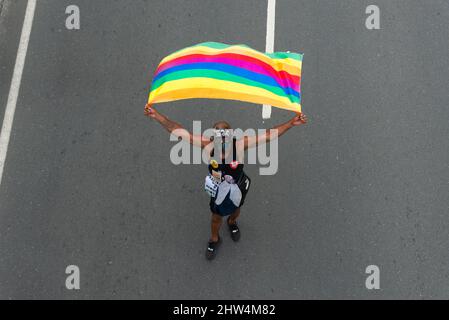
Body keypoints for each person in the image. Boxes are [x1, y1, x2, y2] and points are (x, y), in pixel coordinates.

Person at [144, 103, 307, 260]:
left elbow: (270, 135)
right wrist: (156, 115)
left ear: (231, 135)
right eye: (218, 136)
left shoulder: (240, 144)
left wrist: (291, 123)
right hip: (218, 190)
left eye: (225, 136)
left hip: (238, 185)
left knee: (236, 208)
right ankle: (214, 239)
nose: (222, 141)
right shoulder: (207, 145)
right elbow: (176, 130)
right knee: (216, 217)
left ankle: (232, 221)